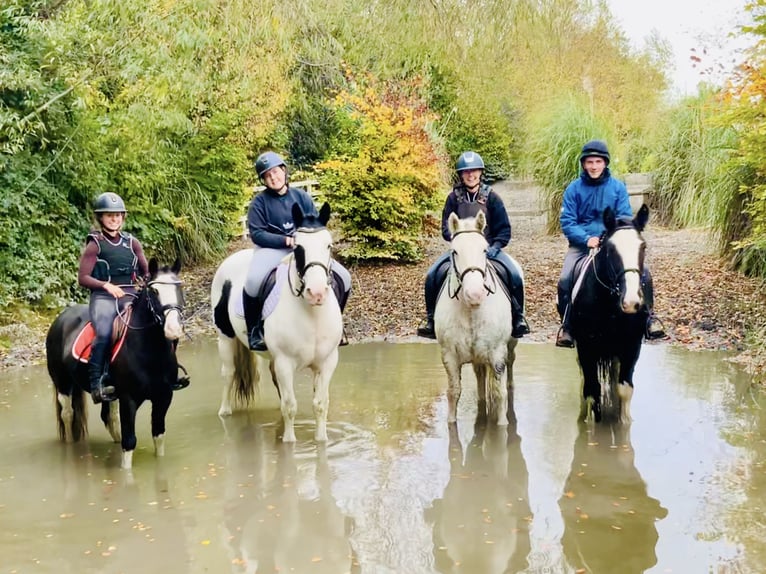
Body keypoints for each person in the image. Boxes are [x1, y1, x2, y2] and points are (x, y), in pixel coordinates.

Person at [78, 192, 190, 404]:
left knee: (163, 323)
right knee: (104, 332)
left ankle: (170, 372)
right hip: (104, 298)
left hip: (130, 294)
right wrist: (106, 285)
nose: (114, 219)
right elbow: (83, 277)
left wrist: (158, 282)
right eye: (109, 215)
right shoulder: (95, 244)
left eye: (118, 215)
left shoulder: (132, 242)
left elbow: (147, 272)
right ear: (100, 218)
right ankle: (98, 383)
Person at [555, 139, 666, 348]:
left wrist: (609, 239)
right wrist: (587, 239)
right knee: (565, 278)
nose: (594, 166)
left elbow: (624, 217)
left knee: (645, 273)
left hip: (612, 244)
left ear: (605, 163)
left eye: (598, 161)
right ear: (584, 164)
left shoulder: (617, 187)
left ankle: (650, 318)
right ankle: (567, 326)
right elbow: (567, 222)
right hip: (582, 246)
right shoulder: (573, 189)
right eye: (589, 162)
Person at [243, 151, 352, 351]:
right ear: (264, 180)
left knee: (344, 277)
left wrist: (306, 242)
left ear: (284, 171)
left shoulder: (302, 197)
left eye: (276, 172)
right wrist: (286, 240)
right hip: (272, 249)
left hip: (304, 250)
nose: (273, 177)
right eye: (268, 175)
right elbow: (257, 233)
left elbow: (314, 224)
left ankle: (338, 325)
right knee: (252, 281)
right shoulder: (259, 203)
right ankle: (254, 331)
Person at [416, 151, 530, 340]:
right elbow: (446, 226)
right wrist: (458, 239)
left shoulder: (492, 197)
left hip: (488, 250)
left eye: (474, 171)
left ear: (480, 172)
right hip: (461, 251)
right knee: (431, 275)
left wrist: (495, 247)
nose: (471, 175)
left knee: (515, 274)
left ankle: (518, 318)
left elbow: (504, 230)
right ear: (461, 175)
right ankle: (431, 320)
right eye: (466, 172)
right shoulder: (453, 198)